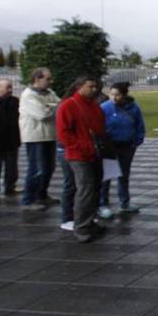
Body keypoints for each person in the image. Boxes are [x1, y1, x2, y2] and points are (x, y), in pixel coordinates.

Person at [55, 76, 108, 243]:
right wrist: (81, 147)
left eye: (96, 86)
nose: (94, 89)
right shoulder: (68, 105)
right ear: (79, 87)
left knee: (94, 189)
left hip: (94, 152)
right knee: (85, 190)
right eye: (90, 86)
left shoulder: (93, 105)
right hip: (79, 155)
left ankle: (89, 221)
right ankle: (82, 227)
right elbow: (63, 133)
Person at [99, 81, 145, 216]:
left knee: (124, 175)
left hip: (127, 146)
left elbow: (140, 125)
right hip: (109, 146)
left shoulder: (133, 108)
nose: (113, 97)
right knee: (107, 176)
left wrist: (137, 141)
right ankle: (103, 204)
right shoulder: (104, 107)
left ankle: (124, 202)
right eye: (111, 94)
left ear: (124, 95)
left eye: (117, 95)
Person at [19, 67, 60, 211]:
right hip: (35, 137)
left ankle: (42, 195)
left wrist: (50, 107)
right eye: (47, 79)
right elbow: (42, 114)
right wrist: (51, 107)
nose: (51, 81)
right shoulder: (28, 95)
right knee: (36, 169)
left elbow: (60, 106)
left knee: (49, 167)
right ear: (37, 79)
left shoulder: (50, 92)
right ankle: (28, 200)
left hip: (49, 135)